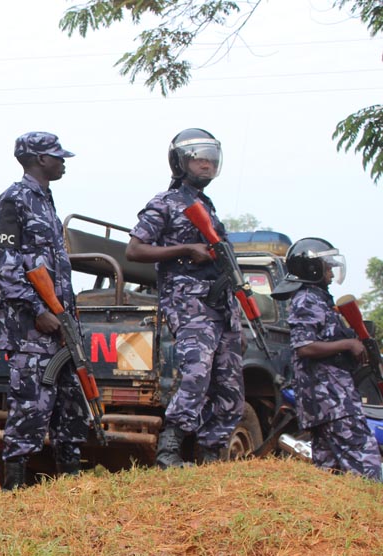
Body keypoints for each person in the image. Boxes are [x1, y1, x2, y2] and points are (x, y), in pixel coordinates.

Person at [125, 128, 244, 469]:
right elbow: (135, 249)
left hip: (221, 307)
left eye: (211, 159)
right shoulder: (165, 202)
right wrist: (186, 249)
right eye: (199, 159)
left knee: (230, 388)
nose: (206, 166)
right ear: (181, 162)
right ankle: (169, 451)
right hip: (190, 305)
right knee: (195, 375)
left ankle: (211, 456)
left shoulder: (207, 207)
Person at [0, 132, 88, 490]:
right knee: (30, 410)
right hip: (30, 332)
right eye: (56, 156)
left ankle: (71, 485)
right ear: (37, 159)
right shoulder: (14, 200)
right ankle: (14, 488)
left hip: (60, 326)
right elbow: (5, 267)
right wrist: (37, 311)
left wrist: (66, 318)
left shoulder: (46, 201)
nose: (62, 161)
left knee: (70, 408)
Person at [271, 238, 382, 480]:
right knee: (369, 469)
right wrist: (348, 344)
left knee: (330, 474)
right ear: (313, 269)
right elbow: (304, 347)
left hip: (327, 401)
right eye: (328, 268)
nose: (331, 274)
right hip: (333, 401)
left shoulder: (319, 298)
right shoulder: (307, 299)